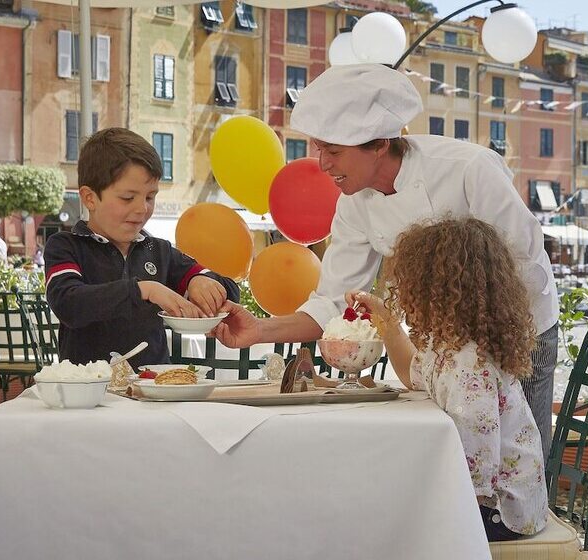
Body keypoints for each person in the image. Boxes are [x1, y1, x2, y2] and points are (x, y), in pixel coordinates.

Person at [215, 63, 559, 460]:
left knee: (522, 461)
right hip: (447, 346)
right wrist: (258, 330)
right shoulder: (352, 204)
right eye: (317, 148)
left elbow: (525, 265)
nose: (323, 164)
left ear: (379, 144)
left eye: (334, 151)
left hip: (519, 329)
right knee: (462, 462)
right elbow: (332, 302)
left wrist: (469, 352)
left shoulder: (469, 169)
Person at [349, 217, 548, 542]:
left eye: (409, 283)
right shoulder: (454, 347)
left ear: (436, 288)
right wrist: (383, 317)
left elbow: (475, 472)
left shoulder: (468, 363)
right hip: (506, 503)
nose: (405, 292)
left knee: (383, 525)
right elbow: (411, 371)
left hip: (499, 512)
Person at [44, 128, 240, 369]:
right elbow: (68, 303)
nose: (142, 209)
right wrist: (143, 290)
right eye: (128, 198)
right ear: (90, 198)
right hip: (89, 393)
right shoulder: (66, 246)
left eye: (150, 197)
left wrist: (200, 281)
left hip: (155, 392)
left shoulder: (158, 251)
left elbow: (231, 293)